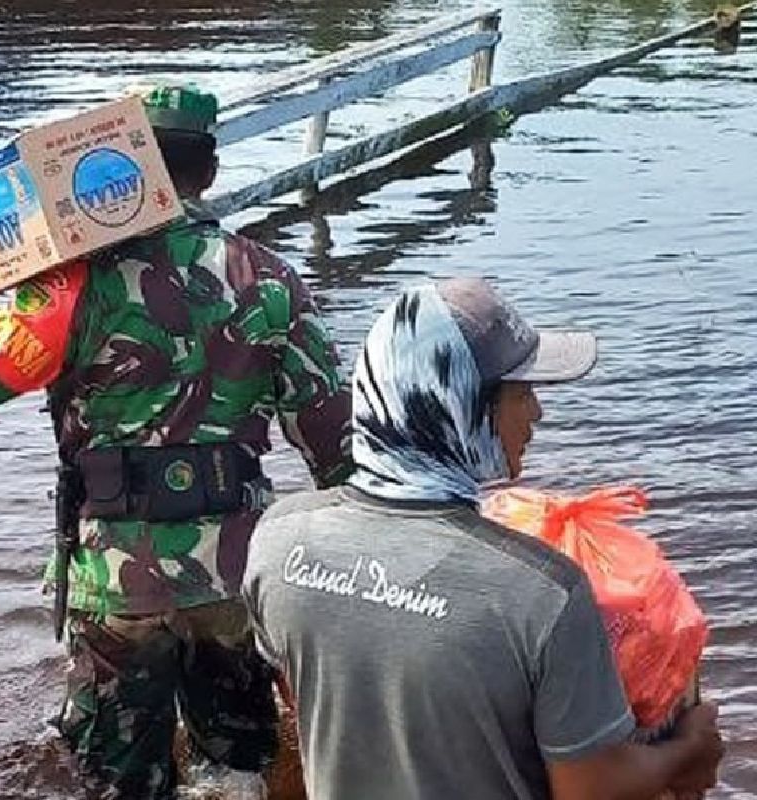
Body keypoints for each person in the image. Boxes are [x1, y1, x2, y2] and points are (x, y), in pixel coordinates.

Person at [0, 83, 353, 797]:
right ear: (208, 173)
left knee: (116, 776)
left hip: (117, 579)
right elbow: (334, 445)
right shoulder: (268, 278)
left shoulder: (69, 285)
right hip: (234, 576)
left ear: (126, 164)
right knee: (240, 768)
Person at [242, 277, 725, 800]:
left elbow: (304, 691)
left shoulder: (279, 540)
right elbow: (592, 789)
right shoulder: (544, 592)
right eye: (521, 393)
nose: (537, 413)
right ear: (461, 405)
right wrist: (689, 752)